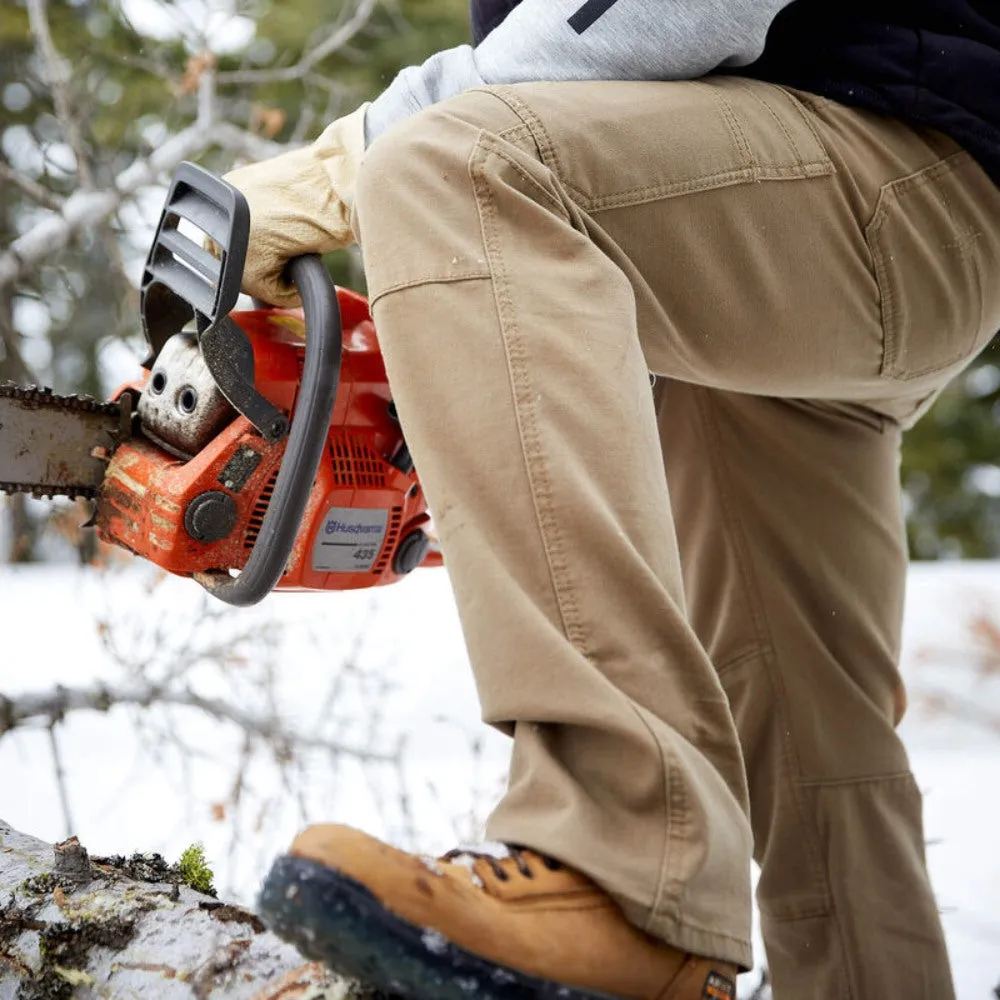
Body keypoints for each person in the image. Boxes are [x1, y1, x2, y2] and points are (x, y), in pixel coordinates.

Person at [226, 2, 1000, 998]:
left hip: (881, 165)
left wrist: (358, 153)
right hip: (825, 183)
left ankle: (624, 872)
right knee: (809, 721)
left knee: (452, 168)